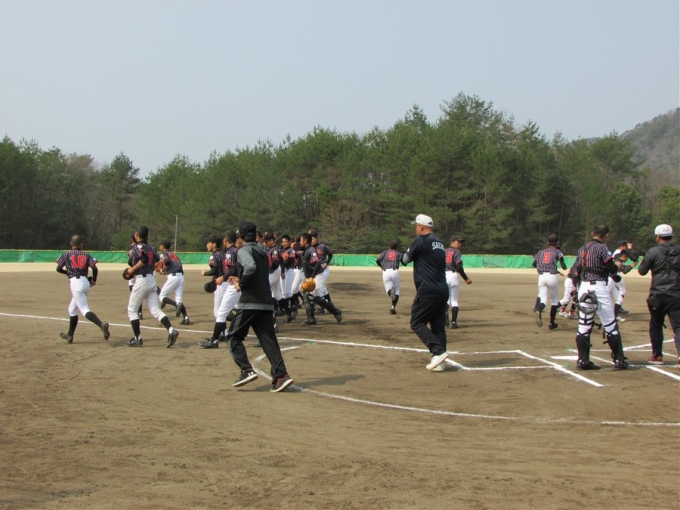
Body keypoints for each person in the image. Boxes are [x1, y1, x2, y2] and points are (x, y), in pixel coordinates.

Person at [226, 221, 295, 392]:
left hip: (250, 302)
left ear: (241, 236)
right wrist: (241, 279)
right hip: (265, 301)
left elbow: (250, 267)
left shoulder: (244, 251)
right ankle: (281, 375)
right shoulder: (263, 251)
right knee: (268, 340)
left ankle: (246, 370)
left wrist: (241, 284)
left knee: (233, 336)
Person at [570, 223, 628, 370]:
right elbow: (611, 268)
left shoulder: (582, 248)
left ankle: (583, 360)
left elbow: (576, 269)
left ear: (592, 233)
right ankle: (619, 360)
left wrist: (576, 289)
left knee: (584, 325)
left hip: (584, 287)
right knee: (610, 324)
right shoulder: (602, 248)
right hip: (599, 287)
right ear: (606, 235)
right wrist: (617, 266)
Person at [401, 214, 449, 372]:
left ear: (421, 227)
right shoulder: (439, 242)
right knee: (438, 326)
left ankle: (438, 351)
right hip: (442, 289)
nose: (416, 229)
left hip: (428, 290)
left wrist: (400, 255)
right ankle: (439, 361)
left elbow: (405, 260)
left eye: (416, 226)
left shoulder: (421, 240)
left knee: (416, 322)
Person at [125, 226, 179, 348]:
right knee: (155, 309)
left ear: (137, 235)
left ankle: (137, 338)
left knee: (132, 310)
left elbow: (142, 259)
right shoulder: (152, 248)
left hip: (141, 280)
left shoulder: (136, 247)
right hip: (151, 279)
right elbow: (155, 259)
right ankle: (171, 330)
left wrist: (132, 269)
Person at [637, 224, 680, 367]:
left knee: (656, 323)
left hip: (658, 294)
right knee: (678, 326)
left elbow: (642, 271)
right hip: (676, 293)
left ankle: (657, 355)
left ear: (658, 237)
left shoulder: (652, 252)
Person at [55, 235, 110, 344]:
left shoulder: (66, 255)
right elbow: (94, 268)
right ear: (81, 244)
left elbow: (58, 268)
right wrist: (94, 280)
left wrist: (66, 272)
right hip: (85, 282)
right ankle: (70, 335)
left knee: (84, 309)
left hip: (76, 283)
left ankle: (101, 324)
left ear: (71, 244)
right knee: (72, 309)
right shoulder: (86, 255)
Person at [299, 233, 343, 325]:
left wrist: (312, 277)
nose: (300, 242)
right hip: (311, 276)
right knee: (307, 296)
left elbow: (317, 263)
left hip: (317, 275)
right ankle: (311, 319)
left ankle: (336, 312)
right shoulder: (305, 250)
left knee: (318, 298)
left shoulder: (311, 250)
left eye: (301, 240)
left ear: (305, 241)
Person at [532, 233, 567, 330]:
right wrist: (563, 266)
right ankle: (552, 323)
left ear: (547, 242)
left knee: (543, 299)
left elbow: (534, 264)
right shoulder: (558, 252)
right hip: (552, 276)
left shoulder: (540, 252)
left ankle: (538, 309)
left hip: (542, 277)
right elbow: (563, 266)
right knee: (554, 300)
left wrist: (541, 266)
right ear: (557, 242)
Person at [157, 240, 191, 325]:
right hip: (181, 277)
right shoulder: (174, 255)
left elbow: (167, 262)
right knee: (179, 299)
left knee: (161, 296)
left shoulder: (165, 254)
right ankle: (186, 318)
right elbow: (178, 266)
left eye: (160, 245)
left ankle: (176, 305)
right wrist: (165, 272)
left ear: (163, 246)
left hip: (173, 277)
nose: (159, 246)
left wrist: (162, 270)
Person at [444, 235, 472, 329]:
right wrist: (466, 278)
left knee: (446, 300)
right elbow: (459, 266)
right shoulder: (457, 252)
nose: (460, 244)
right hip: (453, 276)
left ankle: (445, 318)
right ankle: (454, 322)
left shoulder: (444, 251)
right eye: (458, 242)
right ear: (452, 242)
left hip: (444, 275)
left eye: (460, 242)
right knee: (454, 300)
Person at [376, 241, 403, 315]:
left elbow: (377, 260)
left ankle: (392, 298)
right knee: (396, 291)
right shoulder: (398, 253)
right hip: (395, 272)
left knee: (389, 290)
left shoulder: (384, 252)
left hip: (386, 272)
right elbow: (404, 262)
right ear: (396, 247)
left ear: (389, 246)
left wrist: (381, 266)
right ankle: (393, 307)